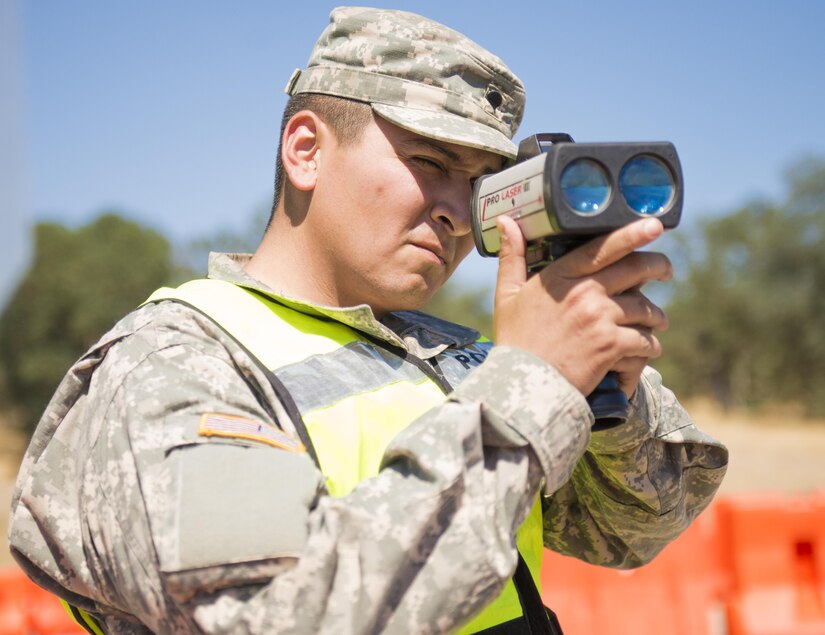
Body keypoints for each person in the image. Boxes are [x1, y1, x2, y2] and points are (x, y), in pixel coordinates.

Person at [8, 7, 728, 634]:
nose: (455, 209)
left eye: (479, 181)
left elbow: (630, 529)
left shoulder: (464, 360)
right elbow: (285, 616)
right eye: (428, 160)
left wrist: (608, 395)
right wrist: (528, 389)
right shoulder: (170, 361)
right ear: (306, 150)